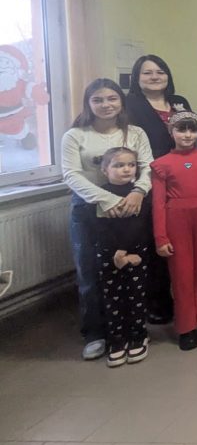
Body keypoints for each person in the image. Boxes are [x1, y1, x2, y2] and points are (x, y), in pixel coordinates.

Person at [62, 78, 153, 361]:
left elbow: (149, 166)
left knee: (131, 271)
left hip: (131, 206)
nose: (106, 105)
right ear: (88, 103)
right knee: (90, 271)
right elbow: (71, 174)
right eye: (98, 100)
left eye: (112, 99)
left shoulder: (134, 133)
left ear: (121, 102)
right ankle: (95, 334)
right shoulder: (75, 135)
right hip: (89, 208)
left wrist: (138, 190)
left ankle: (132, 330)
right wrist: (107, 199)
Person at [124, 54, 191, 325]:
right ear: (137, 79)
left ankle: (182, 297)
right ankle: (156, 301)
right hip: (147, 178)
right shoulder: (130, 106)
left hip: (182, 177)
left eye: (160, 71)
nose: (155, 77)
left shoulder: (180, 103)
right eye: (147, 73)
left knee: (176, 241)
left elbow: (190, 134)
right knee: (153, 241)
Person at [151, 111, 197, 351]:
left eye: (192, 130)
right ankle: (186, 326)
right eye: (181, 130)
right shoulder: (161, 164)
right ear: (171, 132)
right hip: (176, 222)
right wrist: (161, 237)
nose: (187, 135)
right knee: (182, 275)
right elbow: (158, 204)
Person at [91, 147, 151, 368]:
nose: (126, 169)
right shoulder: (99, 194)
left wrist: (125, 251)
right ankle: (117, 340)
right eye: (118, 165)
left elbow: (140, 224)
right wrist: (115, 251)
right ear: (105, 169)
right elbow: (100, 226)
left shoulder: (141, 192)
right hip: (108, 253)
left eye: (131, 165)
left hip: (135, 253)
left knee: (136, 296)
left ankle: (138, 335)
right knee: (112, 298)